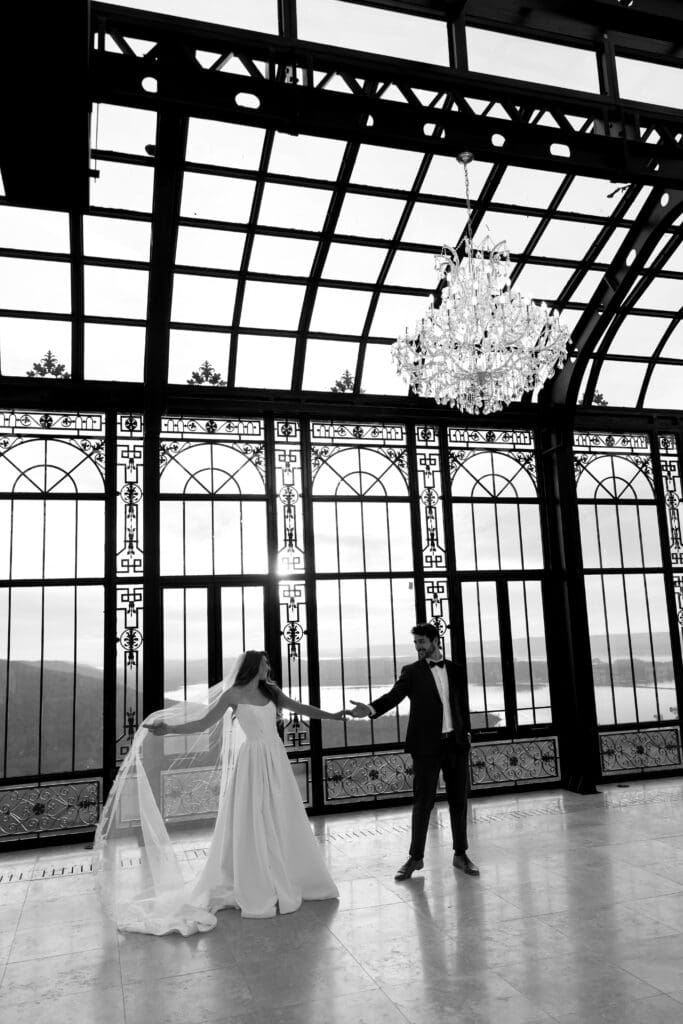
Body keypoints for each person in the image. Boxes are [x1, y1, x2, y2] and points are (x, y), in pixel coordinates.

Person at [94, 650, 346, 933]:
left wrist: (334, 716)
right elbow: (203, 723)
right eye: (265, 664)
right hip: (252, 760)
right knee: (253, 818)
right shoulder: (232, 695)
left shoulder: (271, 691)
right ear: (253, 667)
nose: (269, 667)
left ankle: (288, 873)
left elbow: (301, 708)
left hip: (276, 759)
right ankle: (256, 878)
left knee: (282, 815)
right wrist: (169, 729)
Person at [348, 622, 479, 880]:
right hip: (426, 748)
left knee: (459, 802)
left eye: (422, 642)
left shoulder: (456, 670)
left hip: (456, 745)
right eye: (416, 643)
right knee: (422, 803)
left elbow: (461, 705)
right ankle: (415, 858)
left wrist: (467, 734)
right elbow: (394, 696)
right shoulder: (412, 672)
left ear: (434, 641)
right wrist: (371, 710)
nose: (418, 647)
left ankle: (461, 854)